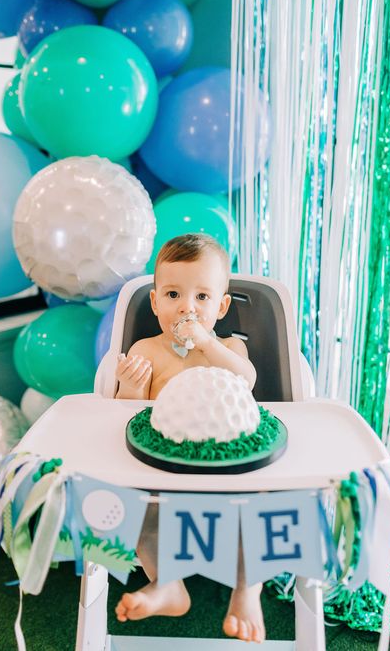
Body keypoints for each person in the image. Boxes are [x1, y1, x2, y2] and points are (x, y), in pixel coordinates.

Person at [114, 233, 264, 643]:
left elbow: (246, 381)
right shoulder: (146, 349)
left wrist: (206, 342)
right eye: (174, 294)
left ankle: (248, 589)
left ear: (221, 305)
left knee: (260, 509)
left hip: (228, 473)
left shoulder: (230, 347)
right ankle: (167, 584)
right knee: (142, 514)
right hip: (165, 476)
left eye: (202, 297)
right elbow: (126, 419)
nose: (187, 307)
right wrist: (129, 388)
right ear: (155, 301)